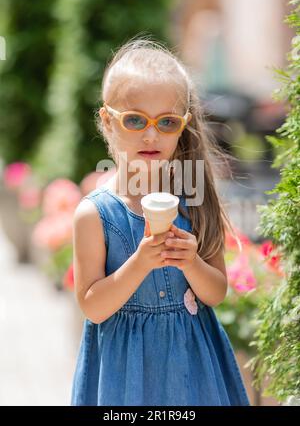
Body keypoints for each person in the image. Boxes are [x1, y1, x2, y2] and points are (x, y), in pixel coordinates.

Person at [70, 38, 250, 406]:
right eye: (135, 120)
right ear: (108, 121)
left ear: (182, 126)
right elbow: (92, 306)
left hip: (193, 368)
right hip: (125, 375)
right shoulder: (95, 214)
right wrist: (140, 263)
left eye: (166, 122)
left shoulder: (195, 199)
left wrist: (191, 262)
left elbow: (215, 292)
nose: (151, 134)